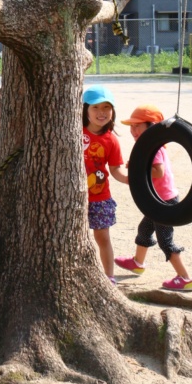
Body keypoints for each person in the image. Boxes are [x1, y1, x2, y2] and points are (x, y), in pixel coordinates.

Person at [115, 105, 192, 291]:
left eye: (138, 126)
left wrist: (137, 169)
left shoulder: (155, 147)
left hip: (164, 202)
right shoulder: (145, 146)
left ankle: (185, 278)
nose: (133, 130)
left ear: (151, 127)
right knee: (144, 229)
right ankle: (137, 262)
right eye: (131, 126)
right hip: (157, 200)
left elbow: (158, 172)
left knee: (165, 241)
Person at [82, 85, 128, 285]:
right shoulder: (75, 131)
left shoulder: (111, 140)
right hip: (73, 198)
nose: (101, 113)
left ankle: (109, 276)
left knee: (102, 239)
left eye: (106, 108)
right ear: (85, 110)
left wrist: (132, 180)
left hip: (100, 198)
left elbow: (116, 170)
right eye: (95, 107)